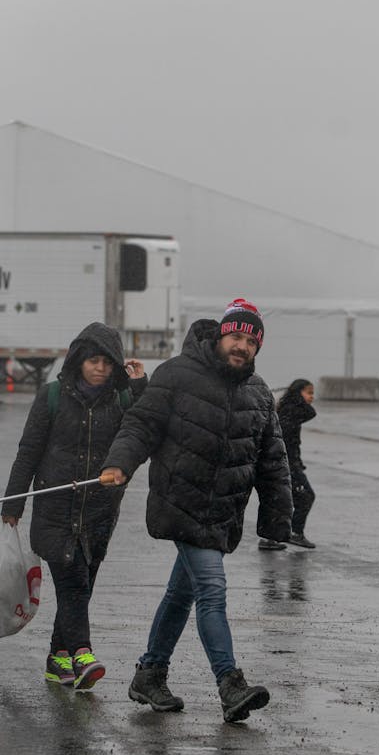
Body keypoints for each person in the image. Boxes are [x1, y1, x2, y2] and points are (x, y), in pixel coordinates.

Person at [100, 298, 294, 723]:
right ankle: (229, 684)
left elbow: (273, 460)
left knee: (182, 593)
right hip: (182, 503)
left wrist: (278, 517)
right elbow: (140, 423)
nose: (241, 345)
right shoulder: (176, 374)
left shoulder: (259, 394)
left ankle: (150, 673)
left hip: (222, 511)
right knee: (211, 590)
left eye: (250, 340)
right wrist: (119, 463)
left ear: (257, 348)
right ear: (220, 335)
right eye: (235, 336)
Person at [0, 323, 148, 691]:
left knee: (82, 585)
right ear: (79, 361)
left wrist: (140, 385)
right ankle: (83, 653)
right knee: (74, 583)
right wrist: (13, 503)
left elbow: (142, 431)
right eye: (93, 361)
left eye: (107, 363)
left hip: (99, 510)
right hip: (55, 507)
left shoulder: (122, 400)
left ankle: (57, 658)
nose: (99, 368)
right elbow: (28, 452)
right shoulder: (51, 396)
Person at [260, 379, 318, 550]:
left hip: (285, 463)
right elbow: (310, 413)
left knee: (278, 499)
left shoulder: (288, 409)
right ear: (298, 393)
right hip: (285, 464)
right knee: (305, 496)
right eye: (309, 393)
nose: (311, 397)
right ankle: (294, 533)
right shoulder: (291, 411)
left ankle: (270, 538)